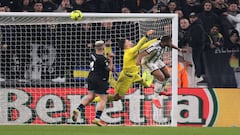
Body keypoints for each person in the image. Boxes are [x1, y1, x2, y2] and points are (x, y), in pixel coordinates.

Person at [93, 29, 157, 102]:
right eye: (128, 41)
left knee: (142, 82)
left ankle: (149, 86)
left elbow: (144, 45)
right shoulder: (129, 52)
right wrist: (146, 35)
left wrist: (156, 40)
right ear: (126, 45)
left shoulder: (132, 50)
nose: (130, 41)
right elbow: (139, 45)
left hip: (132, 74)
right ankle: (93, 100)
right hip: (126, 78)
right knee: (116, 97)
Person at [72, 40, 113, 126]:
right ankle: (97, 118)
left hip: (91, 77)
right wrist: (111, 60)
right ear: (103, 48)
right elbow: (109, 68)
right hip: (101, 79)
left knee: (91, 96)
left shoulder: (92, 55)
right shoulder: (102, 59)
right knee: (103, 99)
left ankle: (78, 109)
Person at [136, 35, 185, 108]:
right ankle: (155, 98)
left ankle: (160, 90)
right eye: (169, 42)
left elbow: (171, 45)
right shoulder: (154, 47)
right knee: (161, 78)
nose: (171, 43)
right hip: (148, 62)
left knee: (168, 76)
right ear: (164, 42)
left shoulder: (164, 43)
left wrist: (179, 49)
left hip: (157, 60)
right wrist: (138, 61)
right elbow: (142, 53)